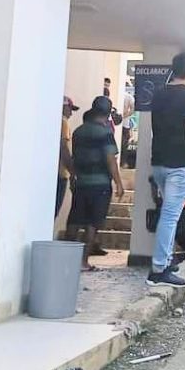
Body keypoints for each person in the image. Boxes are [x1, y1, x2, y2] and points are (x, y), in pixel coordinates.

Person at [146, 52, 185, 288]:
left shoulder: (159, 94)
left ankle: (166, 261)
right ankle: (158, 270)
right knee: (171, 216)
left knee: (168, 214)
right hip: (180, 165)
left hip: (160, 163)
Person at [65, 97, 125, 271]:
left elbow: (73, 156)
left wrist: (74, 174)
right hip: (99, 185)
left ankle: (67, 260)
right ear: (108, 113)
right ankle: (83, 262)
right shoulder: (105, 133)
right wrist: (119, 183)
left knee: (74, 221)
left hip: (81, 182)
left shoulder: (78, 132)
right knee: (93, 224)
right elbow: (110, 159)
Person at [56, 96, 78, 218]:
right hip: (60, 173)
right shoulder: (63, 123)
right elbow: (63, 148)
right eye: (70, 109)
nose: (71, 113)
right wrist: (72, 171)